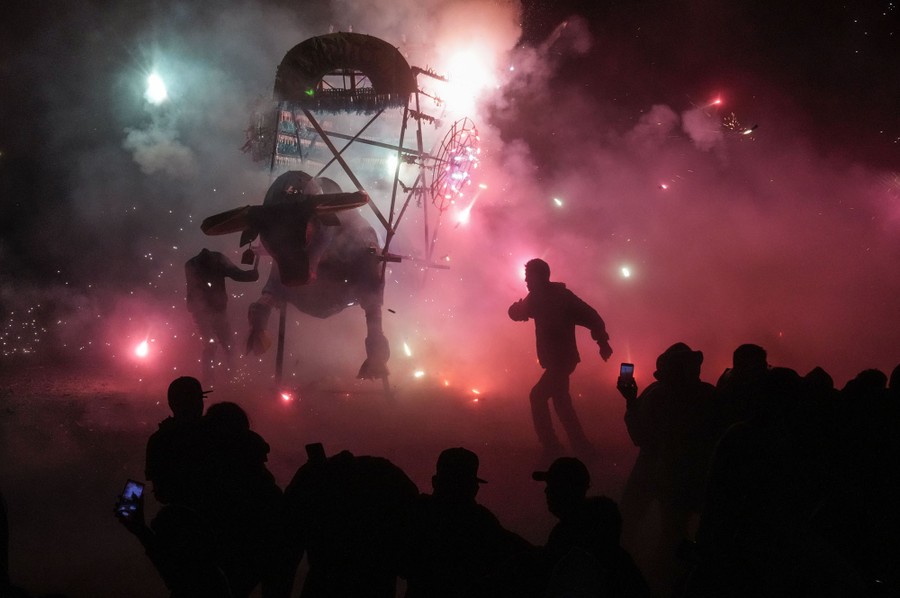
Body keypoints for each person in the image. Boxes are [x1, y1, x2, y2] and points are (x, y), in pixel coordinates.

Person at [616, 343, 718, 596]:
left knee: (633, 525)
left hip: (657, 471)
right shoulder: (707, 394)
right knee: (671, 537)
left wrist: (630, 403)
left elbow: (639, 436)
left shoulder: (658, 393)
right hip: (679, 475)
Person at [508, 258, 613, 454]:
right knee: (562, 403)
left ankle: (552, 445)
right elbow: (593, 317)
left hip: (561, 361)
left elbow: (517, 313)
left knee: (537, 396)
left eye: (528, 277)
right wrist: (602, 342)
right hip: (562, 359)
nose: (526, 281)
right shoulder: (550, 296)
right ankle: (581, 445)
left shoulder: (551, 297)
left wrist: (603, 342)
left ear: (538, 276)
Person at [399, 447, 532, 598]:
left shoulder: (416, 513)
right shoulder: (480, 521)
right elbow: (516, 551)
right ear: (472, 487)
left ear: (435, 482)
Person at [532, 458, 651, 598]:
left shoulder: (570, 538)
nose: (546, 491)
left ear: (565, 489)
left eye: (552, 485)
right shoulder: (602, 536)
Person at [185, 248, 259, 383]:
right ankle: (213, 381)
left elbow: (236, 274)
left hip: (216, 311)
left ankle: (227, 379)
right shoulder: (201, 263)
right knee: (213, 345)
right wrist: (251, 275)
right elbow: (236, 274)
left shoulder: (206, 261)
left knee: (226, 344)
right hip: (202, 312)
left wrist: (251, 275)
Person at [145, 376, 212, 507]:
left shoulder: (159, 440)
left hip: (178, 518)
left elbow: (161, 493)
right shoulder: (217, 433)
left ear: (172, 403)